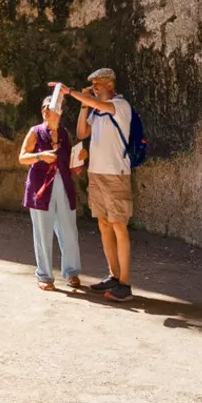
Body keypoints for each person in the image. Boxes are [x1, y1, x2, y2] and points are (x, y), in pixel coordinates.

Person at [53, 67, 135, 301]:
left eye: (98, 83)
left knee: (119, 225)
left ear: (110, 84)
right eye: (93, 84)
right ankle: (114, 275)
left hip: (116, 175)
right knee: (104, 224)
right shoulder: (96, 111)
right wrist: (84, 103)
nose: (95, 87)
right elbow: (81, 132)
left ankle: (125, 284)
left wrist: (71, 92)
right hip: (97, 174)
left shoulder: (120, 106)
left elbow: (101, 106)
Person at [20, 92, 84, 292]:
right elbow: (22, 157)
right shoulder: (35, 132)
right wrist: (40, 156)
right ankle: (45, 275)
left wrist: (79, 160)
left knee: (69, 229)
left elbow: (69, 163)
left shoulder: (65, 133)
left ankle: (72, 272)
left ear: (61, 112)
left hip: (63, 185)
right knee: (43, 232)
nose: (48, 111)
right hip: (40, 188)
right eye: (45, 108)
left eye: (53, 108)